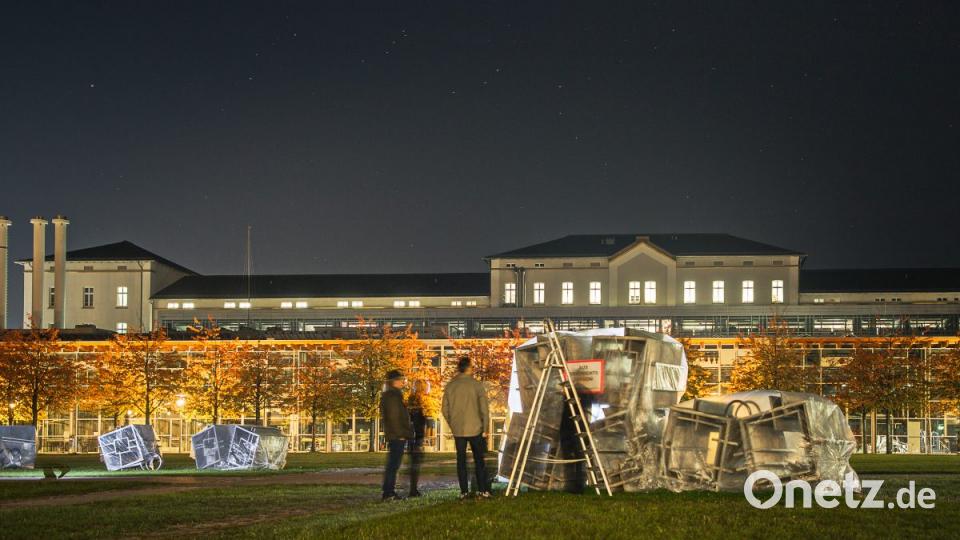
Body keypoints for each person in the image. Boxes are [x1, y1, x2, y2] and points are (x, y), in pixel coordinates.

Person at [442, 356, 491, 499]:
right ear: (469, 367)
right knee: (479, 460)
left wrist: (453, 423)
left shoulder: (450, 385)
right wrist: (485, 427)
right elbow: (484, 409)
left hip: (458, 430)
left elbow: (445, 409)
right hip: (475, 428)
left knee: (461, 461)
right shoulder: (476, 385)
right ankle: (483, 489)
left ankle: (464, 491)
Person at [380, 369, 414, 501]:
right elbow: (394, 417)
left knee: (393, 464)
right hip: (397, 435)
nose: (403, 382)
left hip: (396, 434)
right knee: (393, 465)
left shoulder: (392, 395)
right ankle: (388, 492)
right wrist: (401, 434)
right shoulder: (393, 396)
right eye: (401, 380)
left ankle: (388, 491)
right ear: (395, 381)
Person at [406, 379, 429, 497]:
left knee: (414, 464)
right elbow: (417, 421)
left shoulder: (412, 400)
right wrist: (419, 439)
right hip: (415, 438)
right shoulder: (417, 403)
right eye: (426, 386)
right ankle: (413, 490)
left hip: (413, 437)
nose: (427, 389)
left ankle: (413, 489)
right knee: (415, 464)